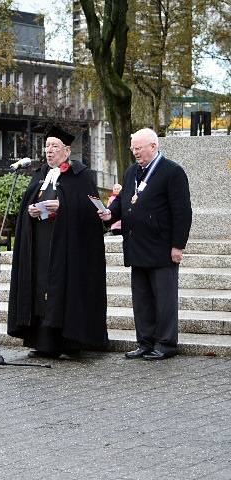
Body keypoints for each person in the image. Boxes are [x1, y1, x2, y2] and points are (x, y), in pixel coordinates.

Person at [7, 125, 108, 360]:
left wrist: (64, 207)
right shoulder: (41, 174)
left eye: (54, 146)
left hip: (67, 247)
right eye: (47, 146)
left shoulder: (80, 175)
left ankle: (68, 342)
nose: (49, 151)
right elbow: (31, 201)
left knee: (62, 289)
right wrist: (31, 210)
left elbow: (90, 209)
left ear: (67, 150)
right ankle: (43, 343)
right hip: (41, 244)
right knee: (40, 288)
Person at [98, 128, 192, 360]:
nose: (135, 153)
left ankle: (166, 344)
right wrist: (110, 213)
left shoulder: (172, 172)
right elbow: (124, 201)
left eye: (139, 149)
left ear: (153, 146)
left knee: (164, 299)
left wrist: (177, 246)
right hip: (136, 245)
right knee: (141, 300)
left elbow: (182, 212)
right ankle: (145, 342)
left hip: (161, 248)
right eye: (133, 149)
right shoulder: (132, 172)